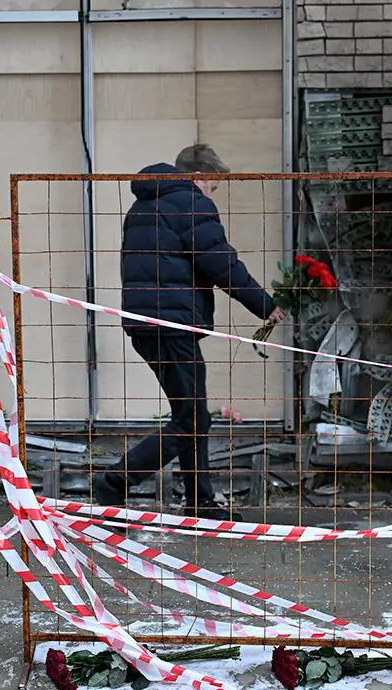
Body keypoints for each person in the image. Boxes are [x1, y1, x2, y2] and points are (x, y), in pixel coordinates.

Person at [94, 144, 286, 521]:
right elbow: (220, 261)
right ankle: (115, 481)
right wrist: (264, 305)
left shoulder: (143, 204)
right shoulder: (190, 203)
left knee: (191, 413)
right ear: (199, 177)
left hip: (145, 322)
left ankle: (201, 501)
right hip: (172, 323)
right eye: (212, 187)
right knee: (191, 418)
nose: (211, 195)